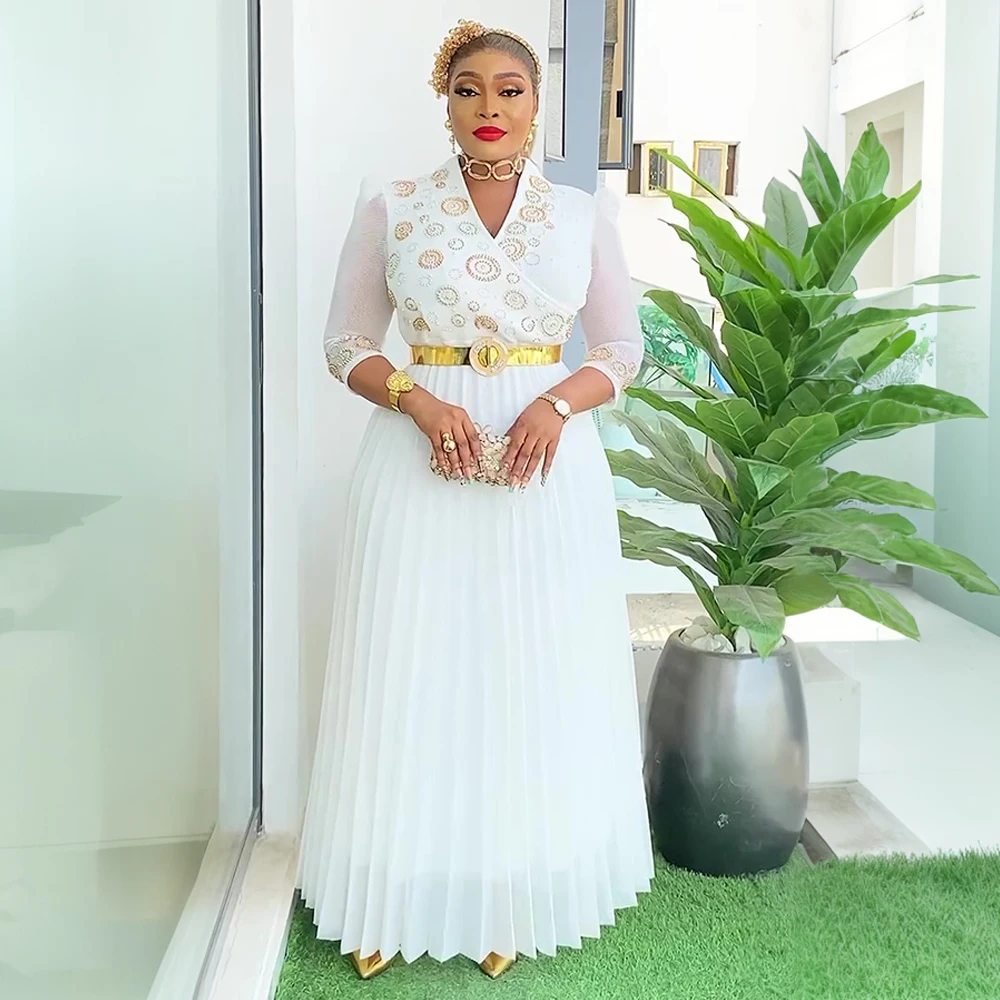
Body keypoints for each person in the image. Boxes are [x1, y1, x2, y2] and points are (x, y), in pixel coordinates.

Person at [296, 19, 654, 981]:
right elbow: (344, 343)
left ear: (537, 103)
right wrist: (417, 401)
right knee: (409, 662)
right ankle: (386, 894)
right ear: (445, 101)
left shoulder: (580, 214)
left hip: (547, 469)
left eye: (509, 89)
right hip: (417, 460)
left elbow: (622, 349)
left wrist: (555, 404)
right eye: (468, 89)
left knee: (528, 666)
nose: (489, 106)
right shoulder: (393, 205)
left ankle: (510, 890)